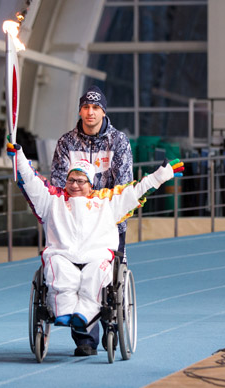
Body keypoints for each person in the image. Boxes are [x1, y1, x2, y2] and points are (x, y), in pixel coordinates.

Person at [7, 142, 183, 357]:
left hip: (96, 256)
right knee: (59, 269)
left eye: (81, 181)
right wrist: (19, 157)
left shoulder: (107, 202)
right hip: (62, 254)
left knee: (95, 275)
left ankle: (82, 315)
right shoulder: (52, 200)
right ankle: (64, 311)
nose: (75, 185)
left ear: (90, 184)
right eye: (71, 180)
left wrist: (161, 175)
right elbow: (32, 183)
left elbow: (136, 191)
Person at [49, 85, 134, 356]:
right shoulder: (66, 143)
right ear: (80, 111)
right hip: (73, 224)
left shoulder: (118, 142)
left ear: (103, 112)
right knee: (74, 272)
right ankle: (85, 336)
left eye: (95, 108)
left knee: (105, 274)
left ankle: (111, 323)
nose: (90, 112)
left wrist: (99, 207)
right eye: (86, 107)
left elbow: (124, 184)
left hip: (107, 221)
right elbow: (58, 183)